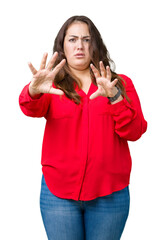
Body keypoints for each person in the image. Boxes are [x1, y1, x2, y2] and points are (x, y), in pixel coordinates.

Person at [19, 15, 147, 240]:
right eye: (72, 39)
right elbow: (30, 108)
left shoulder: (120, 84)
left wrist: (115, 97)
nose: (80, 45)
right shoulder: (51, 85)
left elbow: (135, 131)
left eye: (86, 40)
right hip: (58, 194)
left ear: (95, 45)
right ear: (63, 46)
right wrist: (34, 90)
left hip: (110, 193)